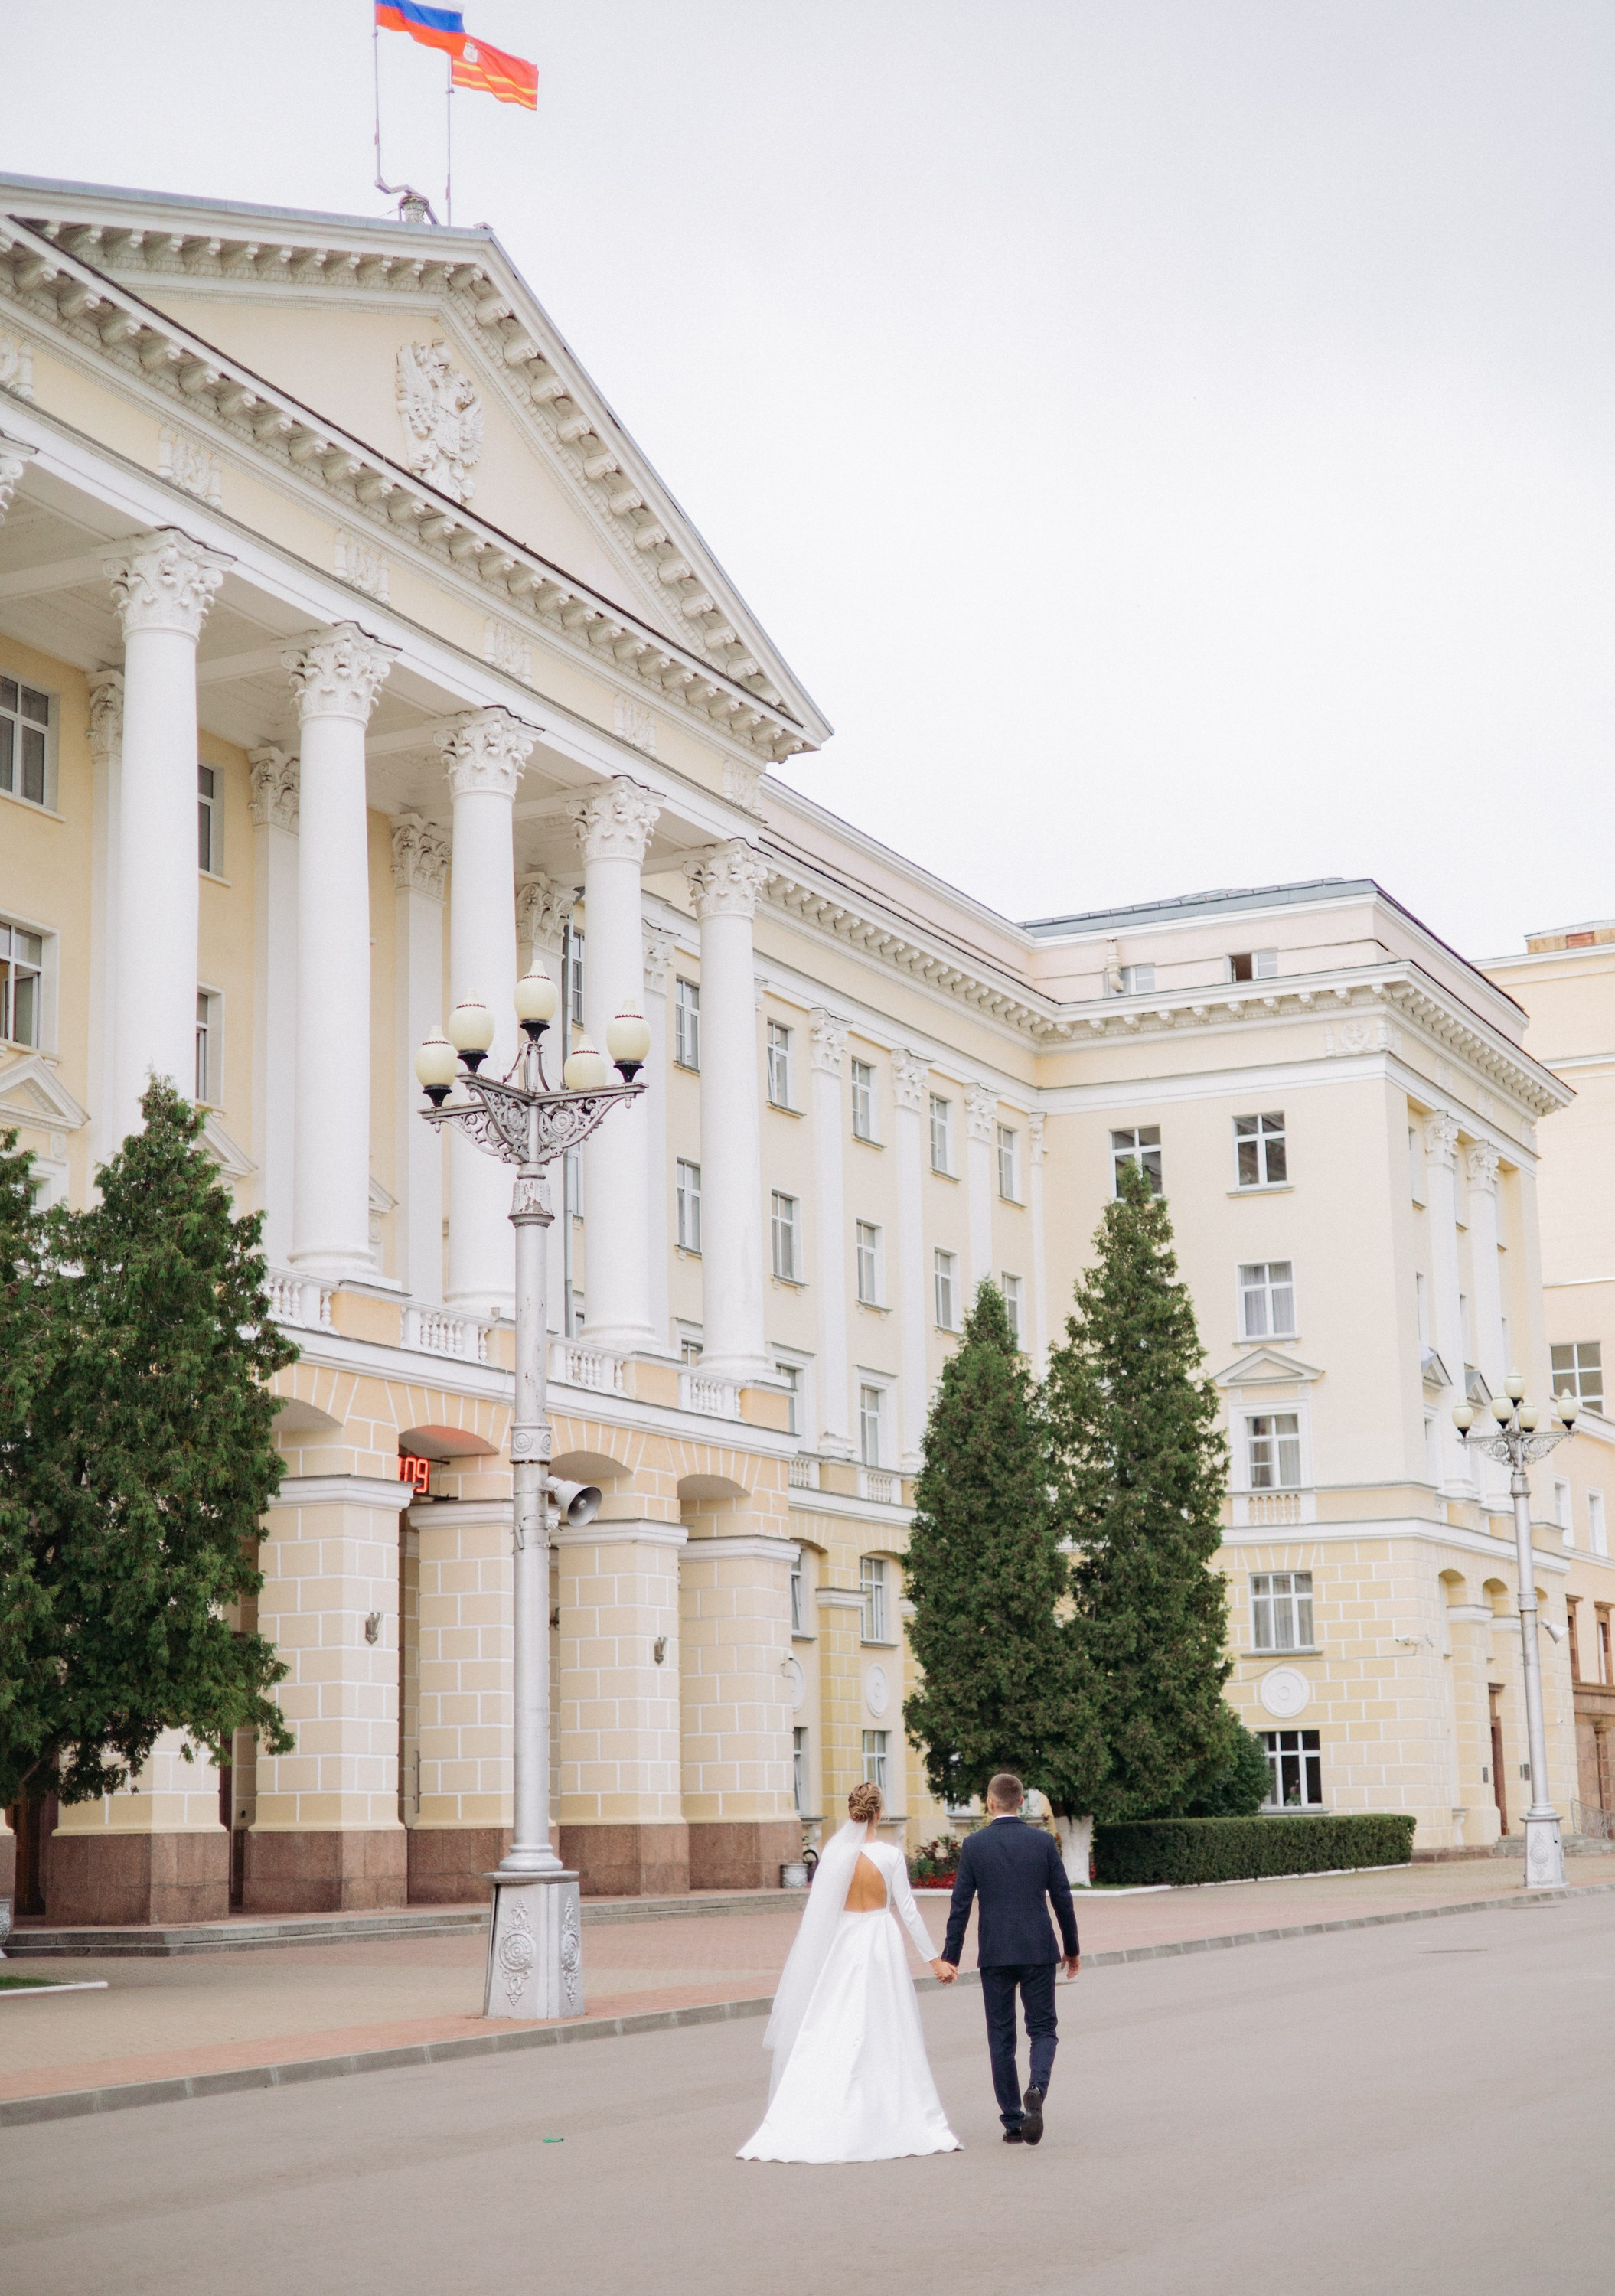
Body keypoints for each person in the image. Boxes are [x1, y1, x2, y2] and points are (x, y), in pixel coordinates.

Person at [737, 1781, 963, 2163]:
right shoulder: (889, 1855)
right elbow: (907, 1910)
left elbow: (820, 1914)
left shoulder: (835, 1853)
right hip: (879, 1941)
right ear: (879, 1813)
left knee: (835, 2021)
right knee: (885, 2023)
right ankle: (887, 2109)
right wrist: (935, 1959)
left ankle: (817, 2103)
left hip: (842, 1942)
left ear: (851, 1812)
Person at [936, 1772, 1081, 2147]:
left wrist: (950, 1956)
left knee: (1001, 2037)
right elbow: (1062, 1897)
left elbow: (960, 1905)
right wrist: (1072, 1948)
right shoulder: (1042, 1842)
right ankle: (1036, 2087)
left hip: (996, 1953)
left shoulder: (974, 1846)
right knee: (1043, 2029)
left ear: (990, 1802)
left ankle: (1014, 2121)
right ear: (1021, 1803)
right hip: (1038, 1950)